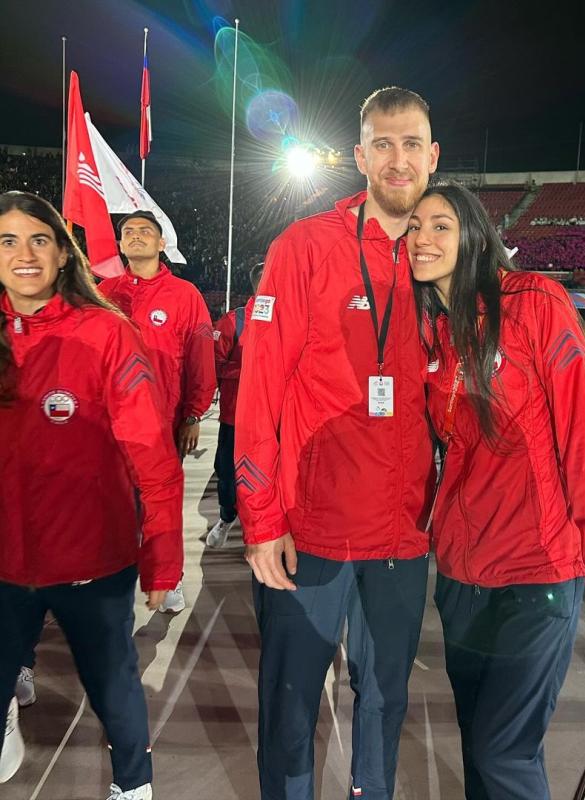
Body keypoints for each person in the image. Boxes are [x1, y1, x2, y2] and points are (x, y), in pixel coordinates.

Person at [235, 87, 439, 800]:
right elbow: (257, 391)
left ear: (432, 156)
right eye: (382, 143)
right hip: (310, 533)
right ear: (359, 156)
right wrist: (261, 521)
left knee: (383, 701)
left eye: (411, 143)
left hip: (401, 536)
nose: (397, 158)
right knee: (290, 705)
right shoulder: (305, 246)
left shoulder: (444, 256)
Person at [408, 182, 585, 799]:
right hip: (461, 572)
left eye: (441, 225)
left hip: (537, 570)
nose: (423, 238)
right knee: (477, 738)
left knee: (504, 751)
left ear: (475, 234)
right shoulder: (427, 329)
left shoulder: (534, 301)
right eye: (414, 228)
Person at [0, 192, 184, 798]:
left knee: (113, 688)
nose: (23, 255)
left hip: (90, 562)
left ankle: (134, 785)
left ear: (62, 254)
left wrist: (163, 556)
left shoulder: (108, 333)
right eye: (7, 242)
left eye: (38, 240)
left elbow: (152, 456)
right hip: (5, 563)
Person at [99, 210, 215, 614]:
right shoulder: (104, 292)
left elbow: (201, 360)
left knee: (161, 508)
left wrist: (194, 414)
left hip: (161, 423)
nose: (135, 236)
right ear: (119, 244)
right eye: (128, 231)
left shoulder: (185, 296)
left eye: (145, 231)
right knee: (111, 505)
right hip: (108, 426)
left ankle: (170, 577)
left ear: (162, 243)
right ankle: (111, 580)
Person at [206, 262, 263, 548]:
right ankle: (227, 517)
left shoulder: (293, 319)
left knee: (270, 478)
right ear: (256, 284)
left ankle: (263, 532)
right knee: (228, 475)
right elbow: (212, 364)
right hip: (235, 417)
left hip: (276, 419)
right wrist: (249, 373)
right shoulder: (234, 321)